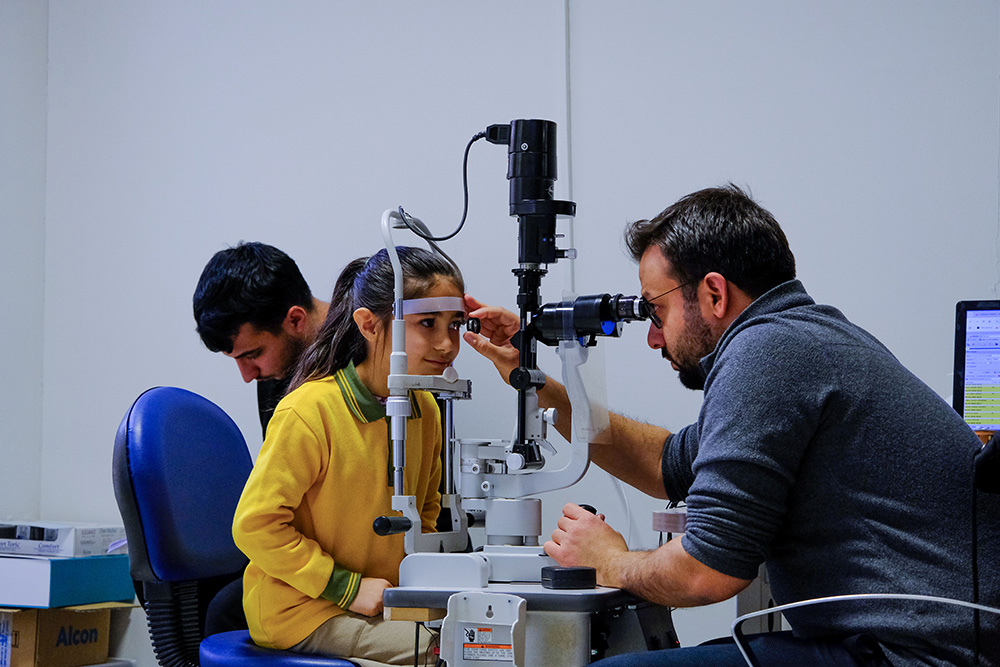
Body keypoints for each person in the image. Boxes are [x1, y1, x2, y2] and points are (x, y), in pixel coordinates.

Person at [463, 185, 999, 666]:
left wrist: (611, 561)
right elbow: (664, 463)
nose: (653, 337)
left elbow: (707, 572)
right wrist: (530, 379)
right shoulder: (804, 338)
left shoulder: (767, 352)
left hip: (912, 654)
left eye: (655, 311)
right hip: (914, 642)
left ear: (715, 294)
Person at [232, 246, 467, 666]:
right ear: (369, 325)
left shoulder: (425, 409)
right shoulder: (309, 412)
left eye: (455, 324)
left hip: (384, 602)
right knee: (451, 653)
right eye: (428, 323)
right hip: (304, 610)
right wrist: (347, 587)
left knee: (495, 634)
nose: (447, 343)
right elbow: (255, 526)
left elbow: (426, 513)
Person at [193, 241, 329, 436]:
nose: (248, 376)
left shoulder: (370, 354)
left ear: (295, 320)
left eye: (253, 355)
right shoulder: (278, 368)